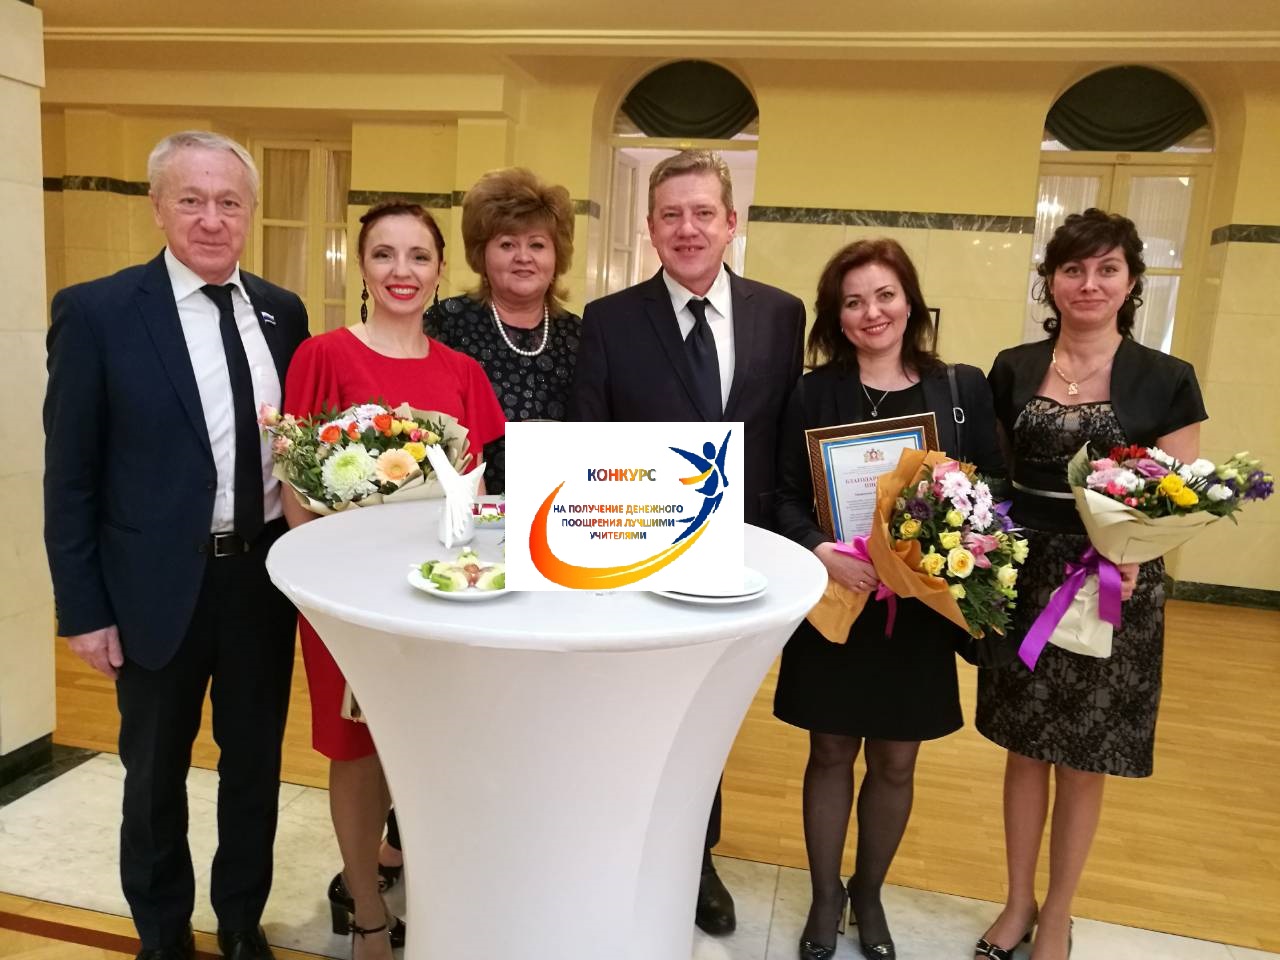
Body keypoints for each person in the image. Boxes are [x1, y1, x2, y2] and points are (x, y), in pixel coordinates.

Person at [43, 131, 309, 960]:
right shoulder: (98, 313)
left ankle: (239, 925)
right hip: (152, 590)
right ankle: (162, 938)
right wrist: (84, 610)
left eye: (229, 202)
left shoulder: (284, 312)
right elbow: (70, 477)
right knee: (154, 777)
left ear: (250, 212)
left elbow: (296, 452)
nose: (211, 219)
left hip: (260, 583)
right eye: (191, 200)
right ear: (157, 206)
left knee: (254, 769)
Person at [570, 149, 805, 936]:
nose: (688, 228)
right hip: (642, 554)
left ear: (732, 222)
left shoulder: (781, 314)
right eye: (671, 214)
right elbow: (588, 441)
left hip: (745, 556)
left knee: (709, 715)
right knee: (636, 713)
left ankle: (694, 859)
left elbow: (784, 436)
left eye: (703, 212)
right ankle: (621, 851)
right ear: (650, 227)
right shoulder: (609, 321)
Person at [974, 209, 1206, 960]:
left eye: (1107, 269)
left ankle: (1060, 914)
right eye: (1073, 269)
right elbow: (995, 479)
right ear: (1051, 281)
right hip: (1027, 577)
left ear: (1131, 282)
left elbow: (1177, 496)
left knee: (1082, 757)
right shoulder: (1012, 367)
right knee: (1024, 749)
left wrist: (1136, 549)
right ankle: (1017, 902)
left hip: (1113, 585)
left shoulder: (1168, 379)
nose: (1089, 284)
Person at [282, 199, 505, 960]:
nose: (401, 271)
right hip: (343, 604)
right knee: (356, 753)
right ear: (362, 267)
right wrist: (328, 592)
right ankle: (369, 913)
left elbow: (473, 495)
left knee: (424, 749)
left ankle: (424, 886)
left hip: (432, 599)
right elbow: (296, 491)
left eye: (418, 256)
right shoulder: (323, 356)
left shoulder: (463, 373)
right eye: (384, 254)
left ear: (441, 271)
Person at [772, 239, 1002, 960]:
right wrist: (820, 548)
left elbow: (991, 491)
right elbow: (782, 494)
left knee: (897, 761)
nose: (871, 312)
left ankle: (867, 893)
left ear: (910, 302)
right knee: (830, 751)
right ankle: (824, 896)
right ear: (835, 317)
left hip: (919, 611)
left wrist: (941, 546)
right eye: (853, 301)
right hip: (840, 602)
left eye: (885, 295)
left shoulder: (958, 390)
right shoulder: (812, 394)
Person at [426, 167, 580, 494]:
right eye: (507, 244)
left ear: (557, 255)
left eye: (537, 245)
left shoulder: (580, 335)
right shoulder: (447, 323)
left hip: (559, 504)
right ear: (481, 254)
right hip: (464, 503)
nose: (523, 257)